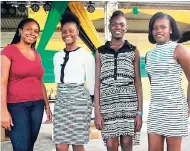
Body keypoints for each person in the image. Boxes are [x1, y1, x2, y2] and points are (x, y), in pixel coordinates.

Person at [94, 10, 143, 151]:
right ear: (109, 27)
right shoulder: (100, 51)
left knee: (127, 143)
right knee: (111, 144)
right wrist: (97, 112)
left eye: (122, 25)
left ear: (126, 28)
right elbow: (97, 85)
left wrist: (139, 113)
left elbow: (138, 84)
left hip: (129, 103)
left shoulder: (133, 51)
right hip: (107, 102)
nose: (118, 28)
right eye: (114, 24)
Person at [1, 18, 52, 151]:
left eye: (36, 31)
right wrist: (3, 111)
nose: (32, 33)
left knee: (29, 146)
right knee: (21, 147)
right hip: (16, 106)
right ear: (20, 31)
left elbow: (40, 80)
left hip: (37, 105)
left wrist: (47, 106)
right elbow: (2, 81)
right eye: (28, 29)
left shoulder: (37, 54)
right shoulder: (9, 51)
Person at [146, 12, 190, 151]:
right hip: (155, 111)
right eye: (155, 27)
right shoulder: (149, 55)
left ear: (171, 29)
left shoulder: (179, 49)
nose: (158, 30)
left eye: (163, 27)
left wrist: (189, 104)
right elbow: (154, 83)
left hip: (175, 110)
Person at [53, 12, 95, 151]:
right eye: (64, 31)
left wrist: (91, 106)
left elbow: (92, 83)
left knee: (77, 143)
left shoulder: (86, 55)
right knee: (60, 145)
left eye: (71, 30)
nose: (67, 34)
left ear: (77, 31)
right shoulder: (56, 56)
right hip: (61, 101)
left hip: (80, 102)